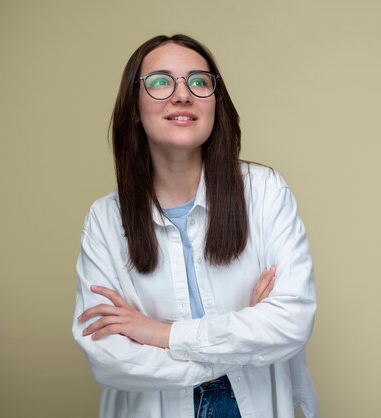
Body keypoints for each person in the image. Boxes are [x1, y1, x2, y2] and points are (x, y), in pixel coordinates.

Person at [72, 34, 318, 418]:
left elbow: (291, 322)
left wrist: (161, 334)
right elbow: (107, 357)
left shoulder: (265, 192)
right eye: (159, 82)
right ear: (134, 108)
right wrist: (243, 339)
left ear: (216, 104)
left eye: (199, 81)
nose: (182, 94)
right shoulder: (105, 219)